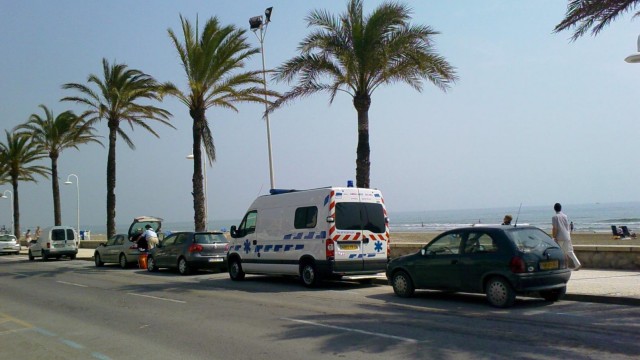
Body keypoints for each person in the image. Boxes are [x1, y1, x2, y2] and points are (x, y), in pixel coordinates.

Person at [552, 203, 581, 270]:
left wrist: (554, 237)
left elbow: (555, 228)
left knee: (560, 252)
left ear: (554, 209)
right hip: (567, 236)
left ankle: (562, 266)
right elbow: (566, 226)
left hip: (560, 237)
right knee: (569, 251)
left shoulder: (555, 217)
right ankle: (577, 264)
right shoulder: (565, 216)